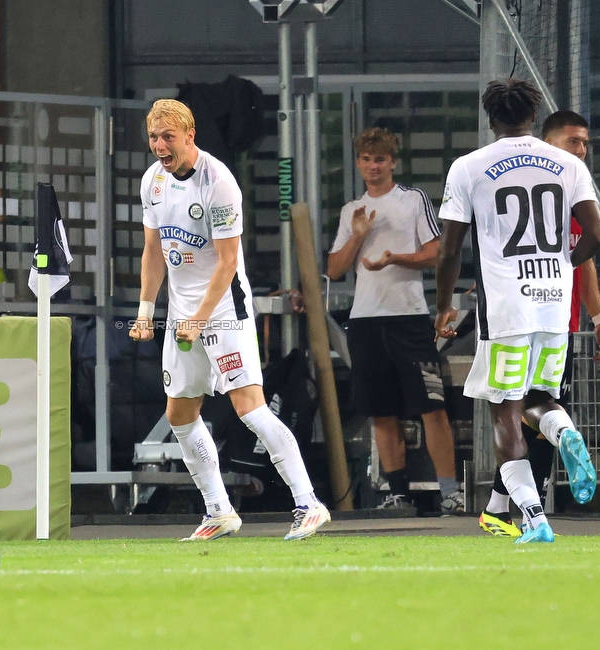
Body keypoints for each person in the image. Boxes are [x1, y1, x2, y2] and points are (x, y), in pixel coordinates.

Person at [131, 99, 330, 541]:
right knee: (180, 414)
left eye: (168, 137)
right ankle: (218, 511)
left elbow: (226, 263)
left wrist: (201, 318)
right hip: (183, 315)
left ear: (190, 134)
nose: (160, 146)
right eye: (153, 137)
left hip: (222, 311)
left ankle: (308, 503)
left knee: (250, 408)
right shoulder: (153, 182)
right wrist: (146, 312)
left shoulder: (218, 182)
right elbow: (153, 251)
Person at [435, 79, 600, 543]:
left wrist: (444, 304)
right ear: (533, 117)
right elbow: (596, 232)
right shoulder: (566, 164)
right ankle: (564, 431)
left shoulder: (469, 167)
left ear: (491, 119)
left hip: (507, 304)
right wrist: (561, 266)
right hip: (555, 304)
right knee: (538, 398)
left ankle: (533, 517)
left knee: (505, 410)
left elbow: (450, 249)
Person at [479, 110, 600, 537]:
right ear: (546, 141)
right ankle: (504, 508)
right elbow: (588, 247)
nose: (581, 150)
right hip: (550, 320)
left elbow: (586, 262)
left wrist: (598, 319)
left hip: (542, 320)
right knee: (539, 415)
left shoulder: (567, 190)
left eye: (585, 144)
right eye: (573, 141)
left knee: (513, 413)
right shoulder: (564, 186)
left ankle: (510, 509)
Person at [327, 127, 464, 514]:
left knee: (431, 406)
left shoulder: (412, 199)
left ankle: (451, 490)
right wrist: (357, 237)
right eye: (367, 160)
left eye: (380, 160)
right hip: (366, 321)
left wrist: (393, 258)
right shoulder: (350, 210)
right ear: (358, 163)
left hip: (409, 317)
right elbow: (335, 269)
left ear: (393, 162)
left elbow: (436, 252)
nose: (373, 166)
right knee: (381, 411)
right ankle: (396, 492)